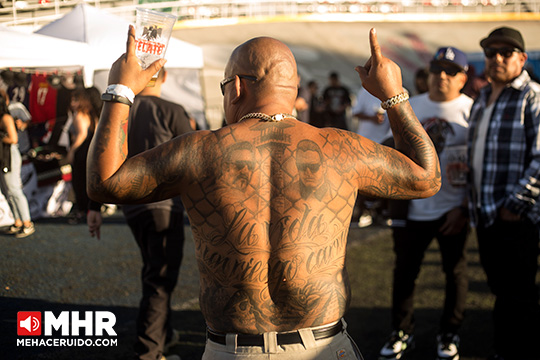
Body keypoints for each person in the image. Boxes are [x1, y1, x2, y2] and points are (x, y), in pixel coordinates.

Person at [87, 26, 441, 360]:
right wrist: (393, 95)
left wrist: (120, 90)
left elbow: (104, 183)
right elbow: (427, 178)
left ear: (236, 87)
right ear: (295, 89)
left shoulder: (199, 150)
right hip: (322, 346)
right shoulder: (341, 149)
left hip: (233, 350)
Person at [88, 68, 193, 360]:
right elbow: (195, 157)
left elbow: (97, 156)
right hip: (163, 207)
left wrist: (94, 207)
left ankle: (164, 335)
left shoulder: (121, 113)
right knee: (159, 279)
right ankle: (148, 352)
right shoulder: (171, 109)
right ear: (165, 76)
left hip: (131, 207)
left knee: (155, 270)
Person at [378, 46, 473, 360]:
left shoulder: (474, 111)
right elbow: (388, 152)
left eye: (449, 71)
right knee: (404, 273)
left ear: (463, 77)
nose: (440, 77)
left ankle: (449, 333)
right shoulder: (408, 106)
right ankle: (401, 332)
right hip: (411, 209)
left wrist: (464, 207)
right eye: (436, 70)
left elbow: (480, 165)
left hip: (453, 210)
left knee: (455, 274)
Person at [467, 26, 540, 360]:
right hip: (486, 213)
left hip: (514, 215)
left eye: (505, 52)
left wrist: (517, 203)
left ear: (522, 59)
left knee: (518, 295)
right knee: (500, 290)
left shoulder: (532, 97)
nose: (496, 58)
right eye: (490, 52)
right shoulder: (482, 98)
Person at [351, 87, 390, 227]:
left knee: (383, 180)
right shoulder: (364, 92)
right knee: (363, 179)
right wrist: (372, 118)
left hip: (385, 143)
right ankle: (363, 211)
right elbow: (355, 113)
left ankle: (381, 212)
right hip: (365, 143)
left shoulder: (395, 90)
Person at [0, 92, 34, 238]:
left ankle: (27, 223)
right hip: (4, 155)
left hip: (10, 155)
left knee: (13, 189)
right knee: (6, 190)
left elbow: (13, 139)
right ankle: (18, 221)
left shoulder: (6, 117)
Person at [66, 86, 101, 224]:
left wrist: (72, 151)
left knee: (79, 182)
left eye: (75, 100)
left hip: (82, 152)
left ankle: (82, 211)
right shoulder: (92, 115)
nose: (72, 103)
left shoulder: (79, 115)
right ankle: (88, 210)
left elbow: (81, 135)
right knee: (87, 182)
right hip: (91, 151)